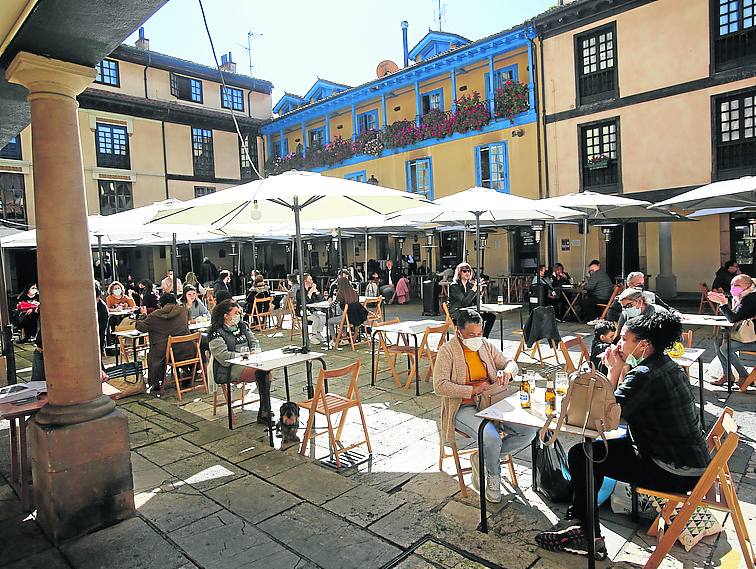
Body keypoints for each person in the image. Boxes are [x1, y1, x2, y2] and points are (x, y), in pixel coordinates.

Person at [536, 312, 709, 560]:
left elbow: (605, 418)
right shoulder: (665, 364)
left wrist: (613, 370)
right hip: (689, 462)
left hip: (673, 471)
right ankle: (582, 520)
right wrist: (618, 368)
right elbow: (616, 409)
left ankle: (587, 533)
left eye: (625, 339)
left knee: (582, 455)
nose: (618, 344)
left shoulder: (644, 375)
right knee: (591, 452)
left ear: (644, 344)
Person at [433, 309, 535, 503]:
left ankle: (481, 459)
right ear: (459, 331)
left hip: (491, 400)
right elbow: (439, 386)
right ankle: (493, 475)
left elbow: (510, 363)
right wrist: (471, 390)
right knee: (490, 436)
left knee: (528, 432)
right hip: (462, 407)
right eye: (471, 335)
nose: (476, 338)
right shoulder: (447, 350)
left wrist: (508, 372)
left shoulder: (485, 345)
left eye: (479, 333)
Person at [208, 299, 273, 424]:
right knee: (263, 373)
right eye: (236, 313)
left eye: (239, 313)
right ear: (226, 316)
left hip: (249, 361)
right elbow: (223, 356)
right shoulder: (216, 333)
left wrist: (255, 351)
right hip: (230, 367)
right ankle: (265, 410)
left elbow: (254, 341)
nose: (239, 316)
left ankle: (264, 409)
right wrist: (242, 356)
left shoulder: (242, 326)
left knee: (266, 371)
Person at [135, 293, 192, 392]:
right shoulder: (183, 311)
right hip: (186, 350)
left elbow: (141, 327)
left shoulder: (155, 316)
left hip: (166, 353)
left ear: (161, 304)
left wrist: (143, 315)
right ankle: (188, 372)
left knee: (153, 355)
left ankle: (155, 382)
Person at [708, 273, 756, 387]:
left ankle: (744, 375)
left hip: (754, 339)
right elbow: (735, 315)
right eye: (732, 284)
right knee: (717, 340)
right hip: (748, 335)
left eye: (737, 285)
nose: (733, 287)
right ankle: (727, 374)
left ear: (747, 286)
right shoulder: (741, 297)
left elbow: (733, 318)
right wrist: (723, 302)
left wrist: (723, 304)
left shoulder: (751, 298)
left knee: (726, 348)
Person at [448, 262, 495, 338]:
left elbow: (475, 302)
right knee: (476, 319)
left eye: (469, 271)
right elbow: (464, 302)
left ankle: (484, 338)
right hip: (457, 312)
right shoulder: (454, 286)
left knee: (491, 316)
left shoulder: (470, 285)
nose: (467, 273)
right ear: (459, 273)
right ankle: (475, 338)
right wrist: (474, 289)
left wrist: (479, 291)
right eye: (464, 271)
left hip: (469, 311)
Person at [605, 271, 674, 322]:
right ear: (629, 284)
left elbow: (667, 307)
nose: (641, 286)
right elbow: (611, 315)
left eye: (642, 283)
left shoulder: (650, 295)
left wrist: (676, 313)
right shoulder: (622, 299)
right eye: (638, 284)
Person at [327, 274, 363, 341]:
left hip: (347, 319)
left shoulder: (340, 294)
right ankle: (345, 336)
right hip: (357, 318)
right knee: (342, 314)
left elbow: (332, 306)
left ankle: (334, 339)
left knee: (330, 321)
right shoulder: (354, 293)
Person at [296, 273, 326, 345]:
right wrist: (310, 292)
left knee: (323, 316)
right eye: (310, 279)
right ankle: (313, 336)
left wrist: (317, 292)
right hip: (303, 311)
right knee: (316, 319)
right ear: (305, 281)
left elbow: (321, 299)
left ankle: (318, 333)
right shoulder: (300, 291)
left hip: (311, 310)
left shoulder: (311, 289)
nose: (312, 281)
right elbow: (305, 301)